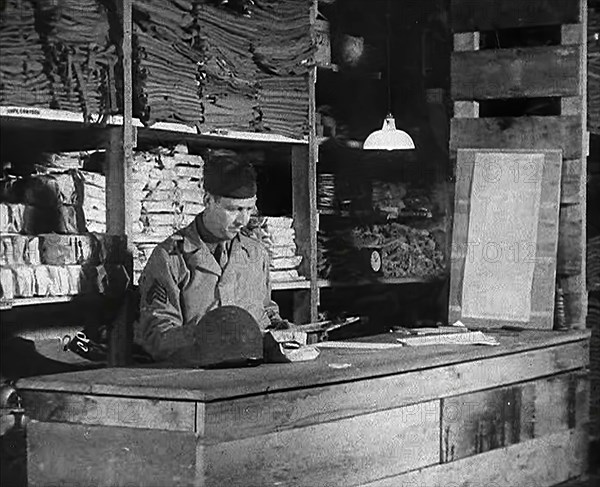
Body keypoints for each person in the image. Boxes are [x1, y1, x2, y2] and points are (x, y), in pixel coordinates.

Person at [134, 156, 288, 361]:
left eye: (249, 209)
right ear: (208, 200)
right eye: (234, 210)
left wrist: (282, 330)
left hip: (254, 373)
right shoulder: (170, 258)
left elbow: (266, 313)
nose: (242, 221)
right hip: (199, 376)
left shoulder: (256, 254)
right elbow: (157, 336)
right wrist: (210, 335)